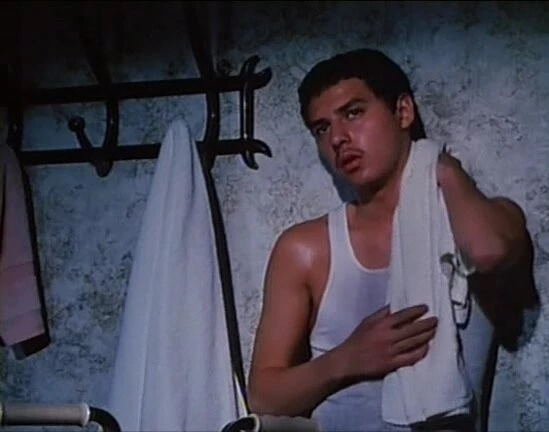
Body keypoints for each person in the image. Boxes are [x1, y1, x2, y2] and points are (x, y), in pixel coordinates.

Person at [247, 48, 531, 432]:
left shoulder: (483, 219)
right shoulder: (306, 249)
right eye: (322, 128)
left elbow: (488, 252)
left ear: (403, 112)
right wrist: (348, 358)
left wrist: (439, 164)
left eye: (353, 113)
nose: (338, 138)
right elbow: (263, 397)